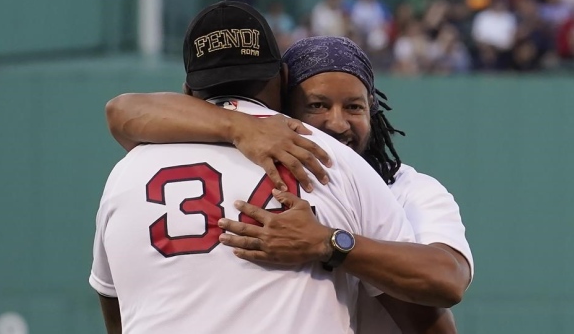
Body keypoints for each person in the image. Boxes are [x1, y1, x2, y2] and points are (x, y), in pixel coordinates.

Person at [105, 35, 474, 332]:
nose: (337, 123)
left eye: (355, 107)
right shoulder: (249, 163)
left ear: (374, 113)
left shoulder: (406, 186)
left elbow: (447, 281)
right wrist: (240, 126)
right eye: (316, 105)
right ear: (278, 107)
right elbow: (122, 111)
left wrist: (329, 243)